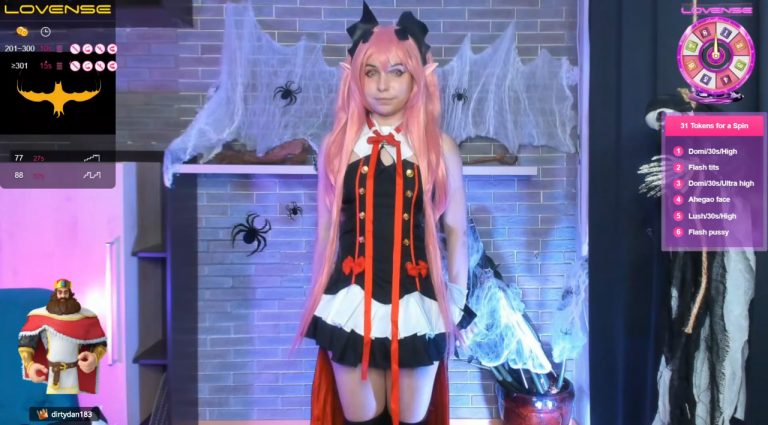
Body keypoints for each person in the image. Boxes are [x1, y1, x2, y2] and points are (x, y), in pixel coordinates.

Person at [296, 3, 475, 425]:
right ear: (355, 78)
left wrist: (458, 301)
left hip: (419, 301)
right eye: (371, 72)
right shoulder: (337, 145)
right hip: (350, 299)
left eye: (397, 72)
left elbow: (456, 230)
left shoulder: (440, 146)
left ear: (417, 77)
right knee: (361, 417)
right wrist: (318, 292)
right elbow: (327, 231)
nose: (382, 85)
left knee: (412, 417)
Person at [18, 279, 107, 394]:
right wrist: (30, 365)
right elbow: (26, 343)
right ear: (56, 293)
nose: (63, 296)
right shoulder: (40, 316)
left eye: (66, 292)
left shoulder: (86, 318)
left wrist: (94, 357)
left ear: (70, 293)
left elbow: (101, 343)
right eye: (60, 292)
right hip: (51, 374)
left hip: (74, 376)